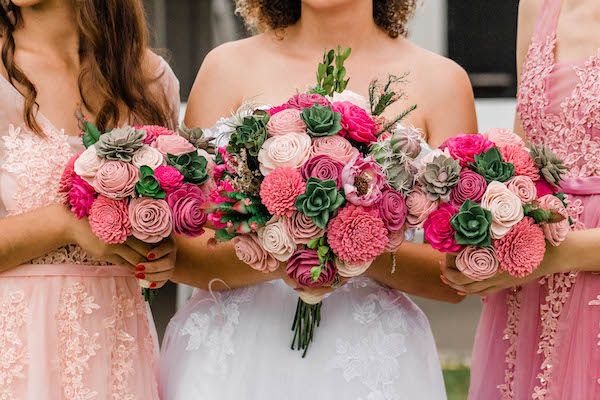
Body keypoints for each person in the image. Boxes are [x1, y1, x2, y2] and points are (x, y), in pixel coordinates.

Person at [158, 1, 476, 399]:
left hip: (369, 362)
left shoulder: (442, 81)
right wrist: (286, 250)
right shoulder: (225, 67)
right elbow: (185, 251)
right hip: (233, 358)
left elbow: (455, 274)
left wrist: (348, 247)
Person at [0, 0, 178, 397]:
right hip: (18, 352)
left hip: (119, 347)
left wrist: (163, 254)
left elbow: (175, 213)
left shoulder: (148, 78)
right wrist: (65, 223)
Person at [442, 0, 600, 398]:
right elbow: (524, 158)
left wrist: (551, 255)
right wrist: (486, 239)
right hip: (529, 293)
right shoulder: (538, 5)